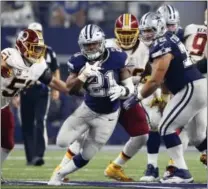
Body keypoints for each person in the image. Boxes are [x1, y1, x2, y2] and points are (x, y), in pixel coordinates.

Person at [50, 14, 150, 182]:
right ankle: (62, 168)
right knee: (82, 136)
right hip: (100, 97)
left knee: (142, 135)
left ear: (137, 33)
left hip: (126, 96)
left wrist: (130, 91)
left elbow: (149, 77)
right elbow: (71, 86)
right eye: (122, 33)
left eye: (130, 33)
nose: (126, 38)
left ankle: (115, 167)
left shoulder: (146, 50)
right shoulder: (103, 45)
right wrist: (83, 77)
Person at [123, 12, 207, 183]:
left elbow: (156, 79)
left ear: (160, 28)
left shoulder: (162, 43)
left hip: (191, 88)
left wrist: (137, 97)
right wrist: (164, 97)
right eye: (144, 30)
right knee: (197, 136)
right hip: (196, 88)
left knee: (165, 127)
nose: (147, 34)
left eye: (151, 30)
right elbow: (165, 79)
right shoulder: (168, 38)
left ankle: (182, 172)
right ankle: (182, 171)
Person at [1, 28, 69, 181]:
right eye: (34, 48)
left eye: (39, 49)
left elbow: (52, 81)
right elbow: (2, 60)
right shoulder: (12, 55)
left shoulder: (38, 65)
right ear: (23, 46)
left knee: (7, 143)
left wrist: (70, 89)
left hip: (2, 105)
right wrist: (4, 67)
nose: (37, 52)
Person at [19, 22, 60, 166]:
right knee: (27, 124)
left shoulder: (48, 51)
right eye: (33, 31)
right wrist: (15, 94)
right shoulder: (21, 51)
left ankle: (39, 154)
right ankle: (31, 157)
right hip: (25, 89)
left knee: (40, 120)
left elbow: (55, 70)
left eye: (38, 32)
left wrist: (56, 89)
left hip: (42, 89)